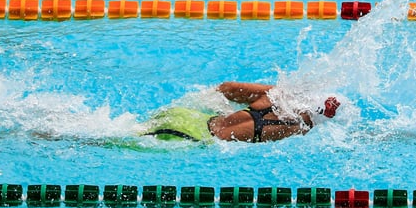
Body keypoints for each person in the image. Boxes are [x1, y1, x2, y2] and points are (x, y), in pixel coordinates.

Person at [142, 82, 340, 143]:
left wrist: (225, 111)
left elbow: (227, 89)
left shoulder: (275, 95)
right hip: (188, 139)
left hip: (186, 116)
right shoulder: (299, 129)